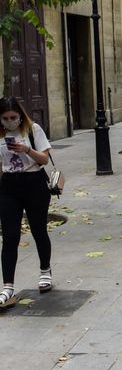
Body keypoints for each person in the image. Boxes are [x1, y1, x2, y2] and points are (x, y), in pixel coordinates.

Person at [0, 97, 54, 308]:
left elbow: (44, 159)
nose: (9, 121)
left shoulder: (33, 129)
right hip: (9, 186)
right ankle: (7, 288)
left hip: (34, 182)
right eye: (5, 118)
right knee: (10, 236)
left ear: (20, 115)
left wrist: (26, 150)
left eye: (13, 117)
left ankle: (45, 270)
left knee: (38, 230)